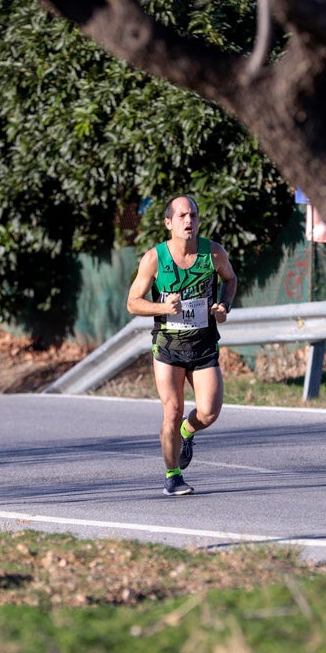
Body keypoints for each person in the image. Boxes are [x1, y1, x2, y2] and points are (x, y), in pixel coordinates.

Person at [126, 196, 238, 496]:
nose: (189, 221)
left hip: (203, 344)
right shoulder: (154, 258)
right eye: (182, 216)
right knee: (173, 411)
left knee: (209, 412)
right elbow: (133, 303)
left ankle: (187, 432)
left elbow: (230, 280)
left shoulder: (213, 253)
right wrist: (163, 308)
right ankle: (173, 476)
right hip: (169, 347)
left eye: (193, 216)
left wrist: (224, 306)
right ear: (168, 222)